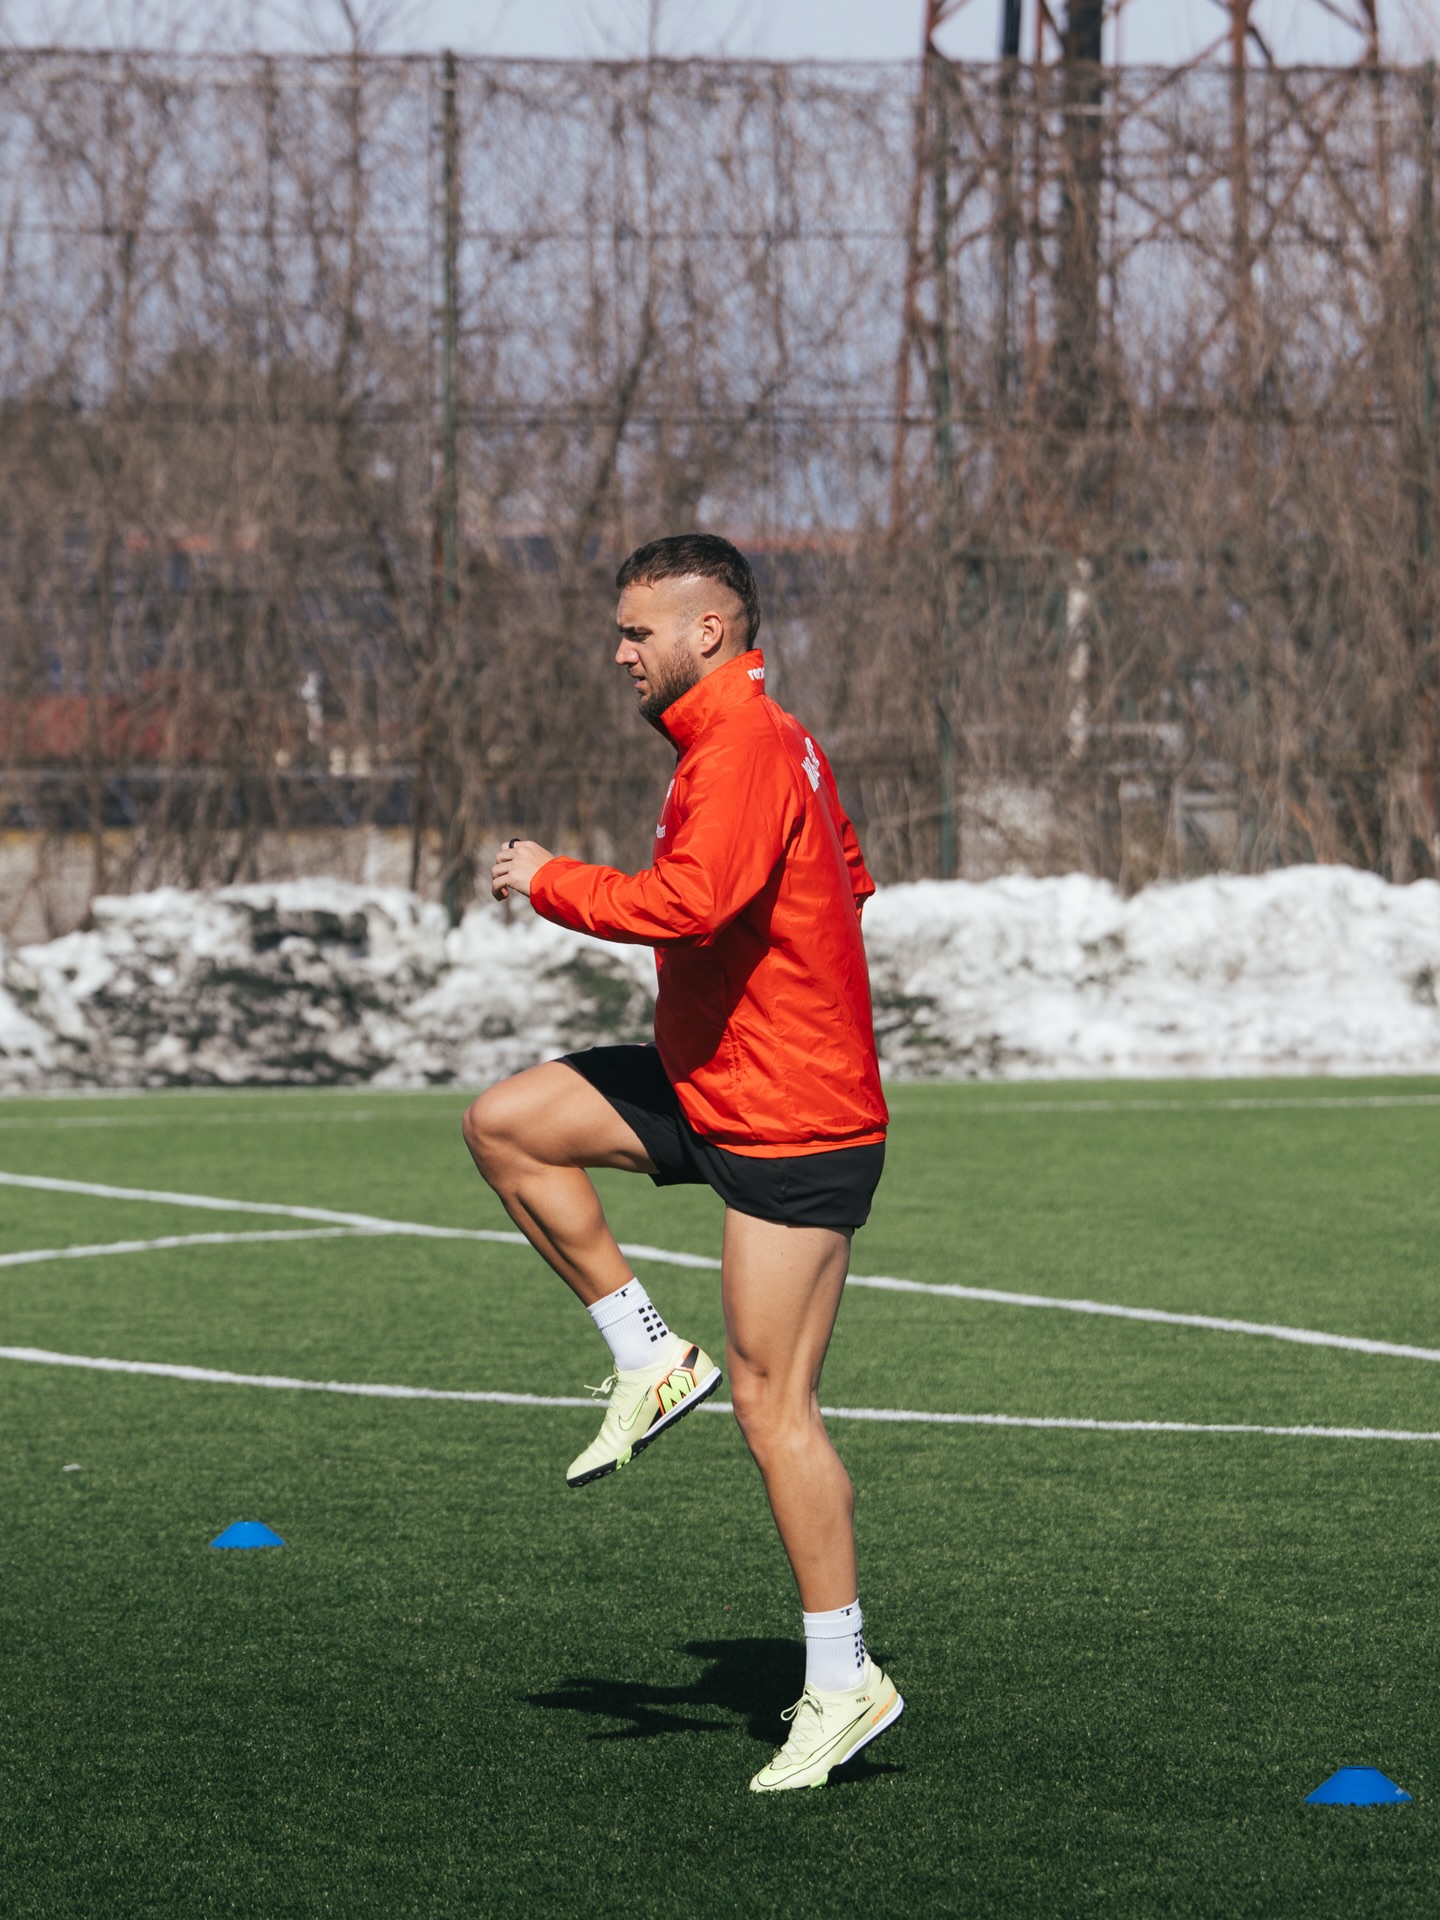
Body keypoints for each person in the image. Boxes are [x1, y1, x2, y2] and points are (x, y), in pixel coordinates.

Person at [463, 532, 902, 1792]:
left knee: (774, 1407)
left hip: (793, 1123)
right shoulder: (749, 742)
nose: (620, 653)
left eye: (636, 631)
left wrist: (551, 878)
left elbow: (691, 902)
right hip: (718, 1078)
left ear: (709, 631)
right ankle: (649, 1354)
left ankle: (844, 1682)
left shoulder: (750, 744)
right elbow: (844, 878)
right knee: (508, 1124)